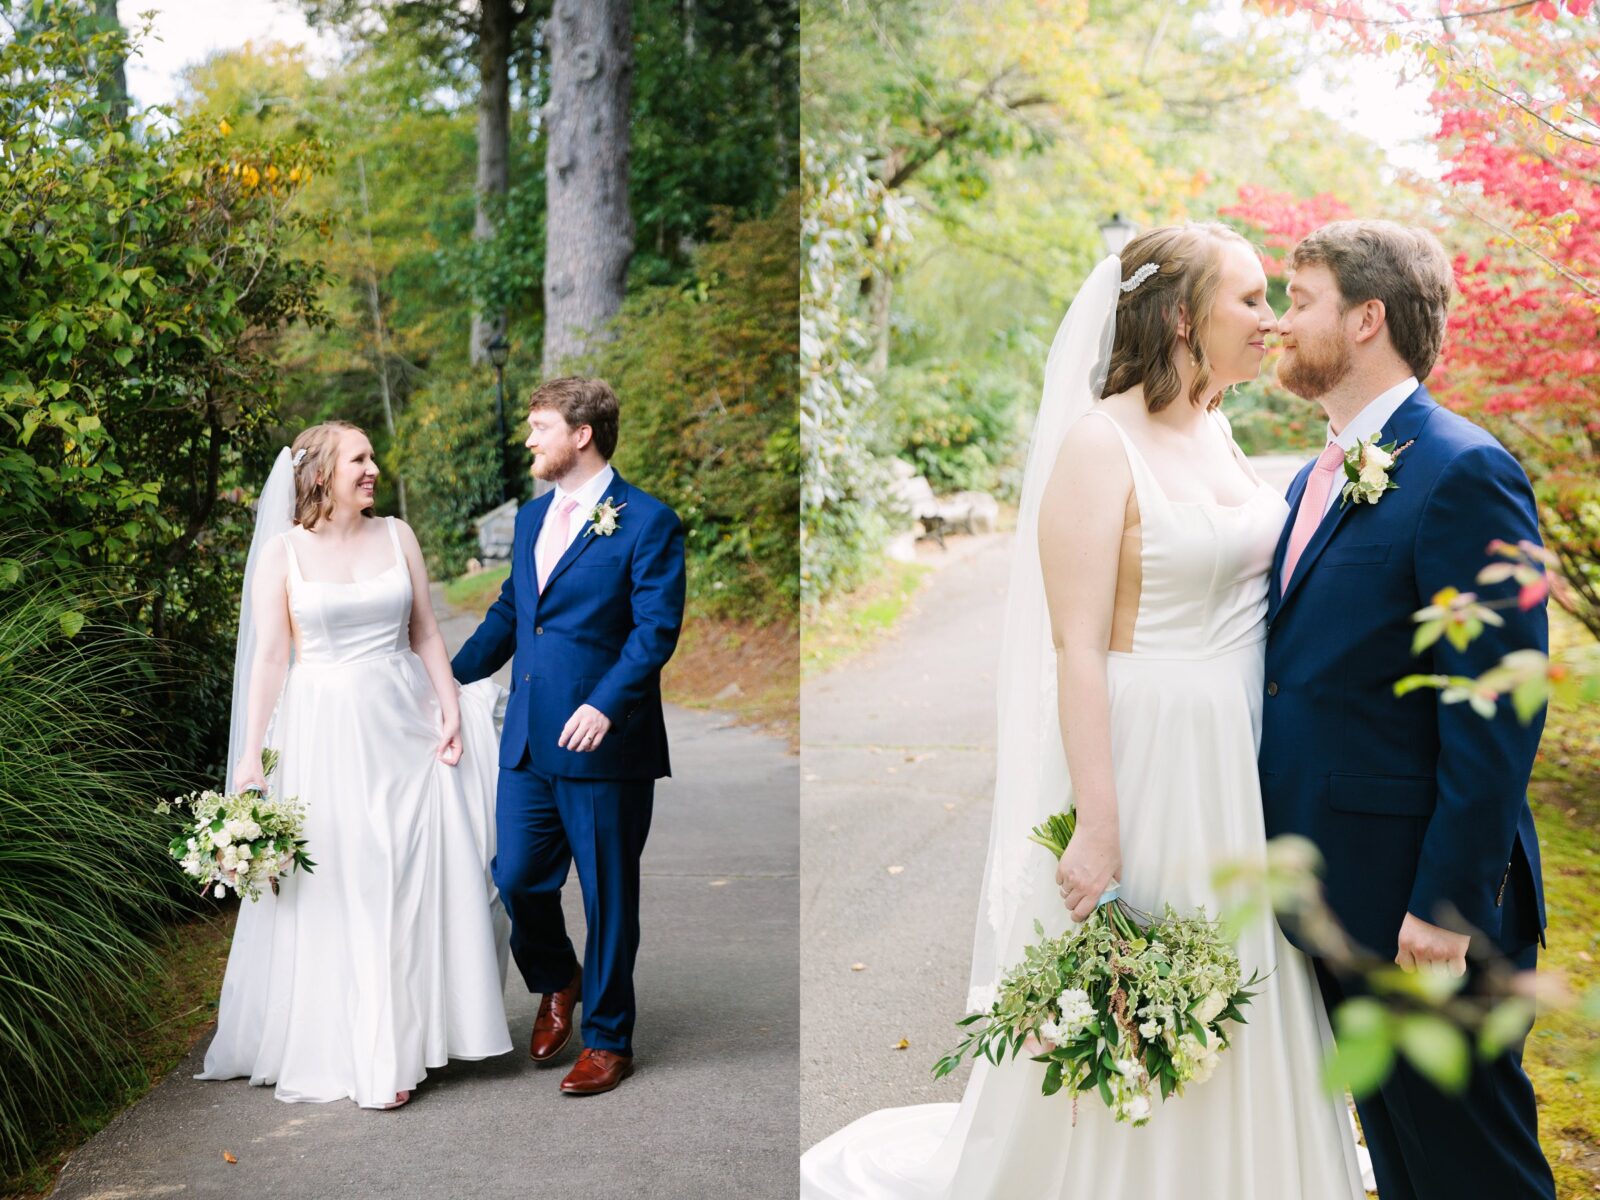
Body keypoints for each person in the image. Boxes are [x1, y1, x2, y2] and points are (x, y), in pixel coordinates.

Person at [800, 225, 1365, 1198]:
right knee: (1153, 976)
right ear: (1183, 316)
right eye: (1250, 300)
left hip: (1246, 752)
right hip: (1152, 755)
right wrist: (1096, 826)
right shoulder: (1100, 445)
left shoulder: (1219, 424)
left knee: (1248, 977)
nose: (1269, 320)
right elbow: (1073, 648)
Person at [1262, 219, 1554, 1200]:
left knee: (1479, 1174)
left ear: (1365, 319)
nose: (1276, 323)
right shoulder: (1315, 474)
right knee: (1406, 1170)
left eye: (1297, 301)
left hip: (1424, 913)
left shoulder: (1461, 470)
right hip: (1340, 900)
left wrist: (1444, 904)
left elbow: (1497, 713)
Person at [198, 420, 512, 1110]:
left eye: (373, 456)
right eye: (359, 459)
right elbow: (271, 660)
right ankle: (374, 1053)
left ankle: (417, 1033)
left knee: (411, 875)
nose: (374, 468)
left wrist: (450, 706)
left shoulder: (398, 536)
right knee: (356, 881)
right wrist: (250, 756)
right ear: (319, 475)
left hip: (407, 726)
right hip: (328, 736)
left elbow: (425, 630)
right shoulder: (284, 555)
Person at [452, 377, 686, 1097]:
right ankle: (558, 979)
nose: (529, 439)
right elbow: (508, 617)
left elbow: (655, 630)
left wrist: (609, 704)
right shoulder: (529, 520)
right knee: (517, 877)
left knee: (609, 894)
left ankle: (609, 1039)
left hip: (605, 744)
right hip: (526, 740)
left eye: (540, 426)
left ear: (582, 434)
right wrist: (433, 676)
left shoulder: (647, 521)